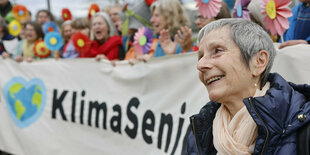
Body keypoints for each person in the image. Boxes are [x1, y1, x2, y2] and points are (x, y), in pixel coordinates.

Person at [185, 18, 310, 154]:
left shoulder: (303, 126)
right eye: (200, 56)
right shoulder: (198, 132)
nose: (200, 65)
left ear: (259, 61)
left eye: (217, 51)